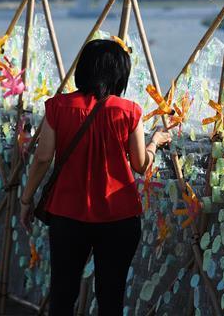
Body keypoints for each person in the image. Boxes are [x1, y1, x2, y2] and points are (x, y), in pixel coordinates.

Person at [18, 39, 171, 316]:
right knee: (110, 296)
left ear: (83, 69)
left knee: (63, 293)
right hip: (119, 215)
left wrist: (26, 200)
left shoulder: (58, 106)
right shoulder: (129, 111)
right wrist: (154, 143)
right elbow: (140, 165)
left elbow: (42, 158)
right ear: (120, 74)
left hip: (68, 215)